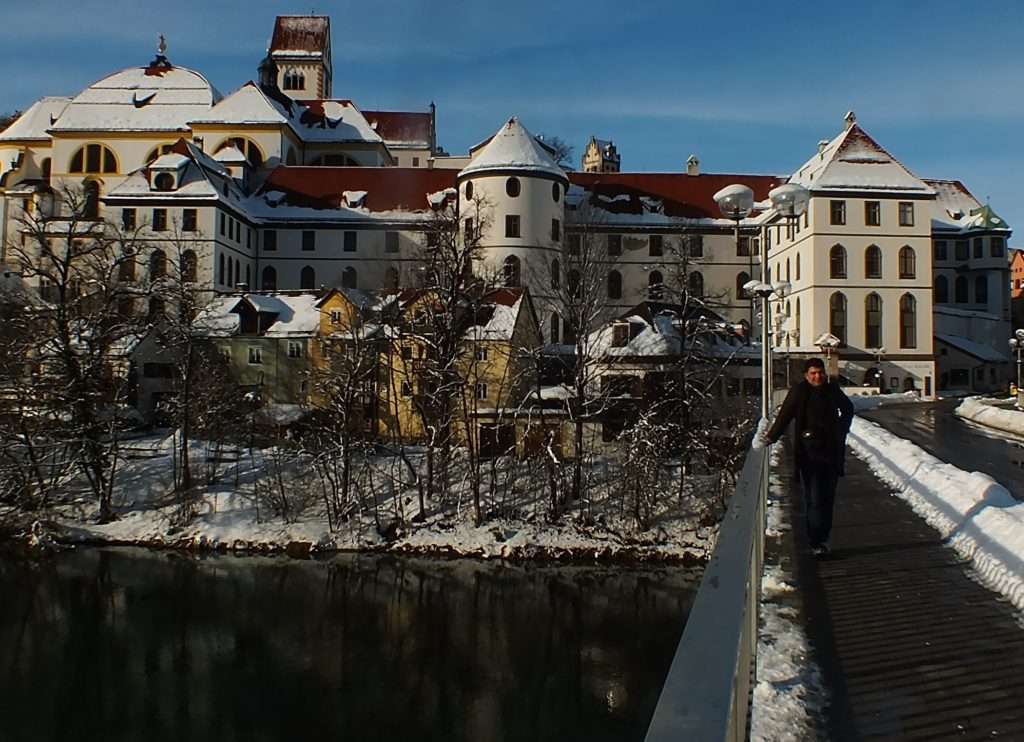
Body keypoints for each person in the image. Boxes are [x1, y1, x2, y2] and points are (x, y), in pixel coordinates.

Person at [763, 357, 854, 557]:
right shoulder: (799, 392)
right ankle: (815, 542)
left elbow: (848, 409)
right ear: (806, 375)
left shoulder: (832, 390)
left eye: (820, 372)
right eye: (813, 373)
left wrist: (841, 429)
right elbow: (785, 415)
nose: (817, 376)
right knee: (814, 498)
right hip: (808, 454)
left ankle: (823, 537)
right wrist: (771, 436)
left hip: (831, 453)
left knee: (827, 499)